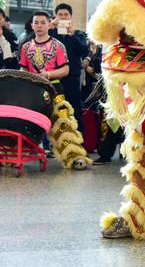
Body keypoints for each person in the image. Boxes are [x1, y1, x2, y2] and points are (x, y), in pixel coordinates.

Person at [19, 11, 91, 170]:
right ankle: (18, 154)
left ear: (48, 24)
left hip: (54, 88)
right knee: (26, 122)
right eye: (36, 22)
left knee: (63, 123)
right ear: (32, 25)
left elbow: (65, 70)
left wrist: (48, 74)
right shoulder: (25, 46)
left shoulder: (58, 45)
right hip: (32, 90)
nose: (39, 25)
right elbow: (23, 68)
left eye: (42, 22)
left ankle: (75, 156)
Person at [49, 3, 89, 137]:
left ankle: (79, 143)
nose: (63, 17)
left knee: (75, 110)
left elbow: (84, 51)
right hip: (54, 77)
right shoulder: (51, 33)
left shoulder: (78, 34)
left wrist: (72, 35)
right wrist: (50, 26)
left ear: (70, 17)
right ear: (55, 17)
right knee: (56, 110)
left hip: (72, 77)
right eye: (60, 15)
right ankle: (58, 144)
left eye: (66, 15)